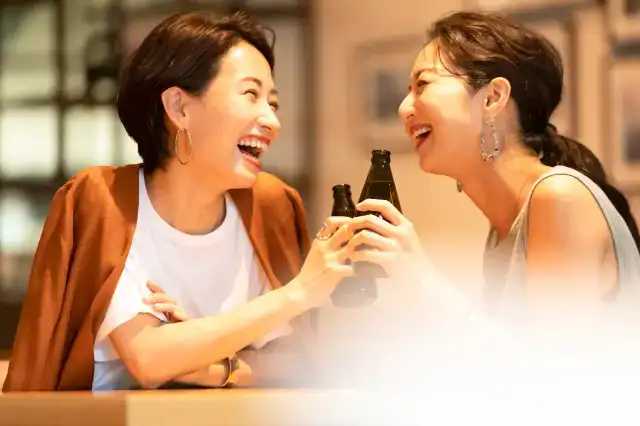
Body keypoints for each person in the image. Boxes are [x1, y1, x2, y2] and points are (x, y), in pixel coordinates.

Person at [3, 11, 355, 392]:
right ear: (179, 108)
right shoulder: (105, 200)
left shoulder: (270, 204)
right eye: (251, 95)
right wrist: (299, 292)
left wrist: (212, 367)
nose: (272, 120)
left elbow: (295, 361)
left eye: (273, 103)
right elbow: (150, 358)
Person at [345, 11, 640, 349]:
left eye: (422, 85)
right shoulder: (503, 229)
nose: (403, 108)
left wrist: (422, 280)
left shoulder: (560, 197)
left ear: (492, 98)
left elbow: (552, 375)